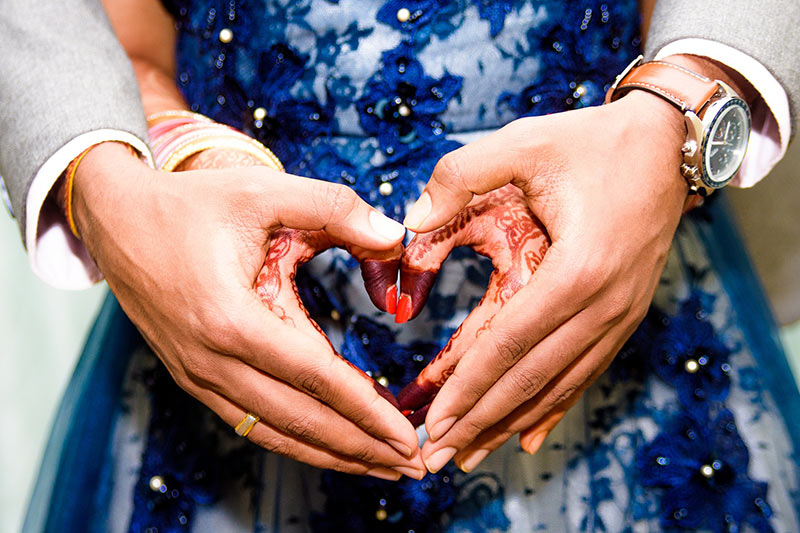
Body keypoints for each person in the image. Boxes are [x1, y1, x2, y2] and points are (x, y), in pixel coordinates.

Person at [6, 1, 799, 533]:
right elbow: (128, 37)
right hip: (217, 333)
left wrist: (682, 114)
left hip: (622, 322)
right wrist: (145, 169)